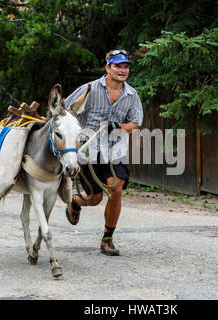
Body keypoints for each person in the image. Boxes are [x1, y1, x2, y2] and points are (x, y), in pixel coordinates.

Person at [63, 49, 143, 256]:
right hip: (88, 153)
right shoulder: (89, 89)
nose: (122, 70)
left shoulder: (131, 95)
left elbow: (136, 123)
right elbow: (66, 110)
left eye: (126, 67)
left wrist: (118, 127)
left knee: (115, 190)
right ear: (107, 68)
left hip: (114, 152)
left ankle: (108, 239)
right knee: (95, 198)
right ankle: (75, 202)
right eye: (118, 66)